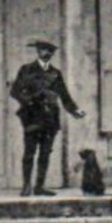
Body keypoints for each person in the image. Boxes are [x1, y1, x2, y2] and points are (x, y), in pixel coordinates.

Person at [9, 38, 85, 196]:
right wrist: (29, 101)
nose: (47, 53)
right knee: (29, 152)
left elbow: (64, 95)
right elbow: (15, 91)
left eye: (50, 51)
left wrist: (75, 110)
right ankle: (26, 186)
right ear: (38, 51)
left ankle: (39, 186)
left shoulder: (55, 73)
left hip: (50, 118)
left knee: (45, 153)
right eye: (44, 50)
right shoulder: (27, 69)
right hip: (32, 117)